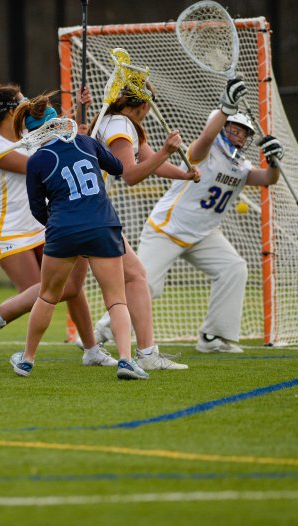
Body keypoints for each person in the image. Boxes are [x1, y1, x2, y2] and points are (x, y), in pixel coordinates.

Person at [0, 89, 117, 368]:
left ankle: (92, 350)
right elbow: (43, 165)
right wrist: (75, 145)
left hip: (44, 226)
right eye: (23, 102)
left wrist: (79, 117)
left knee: (72, 287)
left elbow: (56, 146)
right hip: (10, 231)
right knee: (43, 293)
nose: (29, 105)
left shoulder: (32, 137)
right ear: (12, 112)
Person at [135, 78, 283, 354]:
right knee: (146, 286)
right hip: (168, 229)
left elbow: (268, 179)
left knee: (233, 268)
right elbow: (206, 137)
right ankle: (104, 330)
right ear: (223, 126)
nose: (239, 137)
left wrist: (274, 162)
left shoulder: (242, 166)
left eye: (244, 133)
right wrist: (226, 108)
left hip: (203, 235)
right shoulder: (204, 152)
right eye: (235, 129)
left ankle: (213, 336)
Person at [8, 106, 149, 380]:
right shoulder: (85, 142)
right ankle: (126, 360)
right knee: (116, 299)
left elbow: (37, 209)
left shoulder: (36, 161)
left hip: (63, 229)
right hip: (102, 224)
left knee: (47, 296)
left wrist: (60, 225)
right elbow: (118, 167)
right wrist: (92, 147)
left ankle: (26, 360)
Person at [87, 84, 198, 371]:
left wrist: (184, 175)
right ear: (145, 105)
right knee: (136, 276)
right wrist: (167, 150)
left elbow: (150, 162)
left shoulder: (118, 122)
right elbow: (131, 175)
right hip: (91, 213)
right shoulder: (120, 126)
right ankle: (146, 353)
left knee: (58, 290)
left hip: (76, 212)